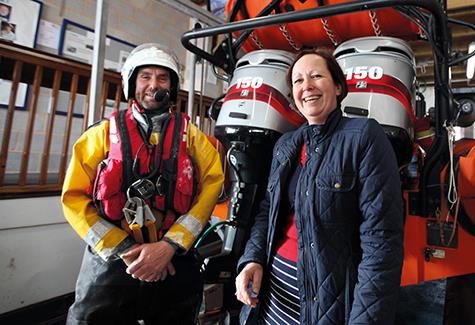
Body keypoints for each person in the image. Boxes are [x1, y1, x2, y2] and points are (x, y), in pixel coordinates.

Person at [235, 49, 404, 324]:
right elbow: (268, 211)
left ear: (338, 86)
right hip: (270, 299)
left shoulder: (363, 137)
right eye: (298, 81)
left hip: (327, 305)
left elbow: (381, 240)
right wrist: (252, 259)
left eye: (316, 76)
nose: (307, 86)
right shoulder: (286, 144)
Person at [62, 43, 224, 324]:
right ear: (131, 82)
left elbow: (212, 187)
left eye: (162, 78)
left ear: (171, 87)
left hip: (174, 259)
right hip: (112, 260)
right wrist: (125, 250)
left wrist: (170, 246)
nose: (153, 85)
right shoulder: (100, 135)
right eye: (145, 77)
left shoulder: (194, 138)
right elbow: (73, 199)